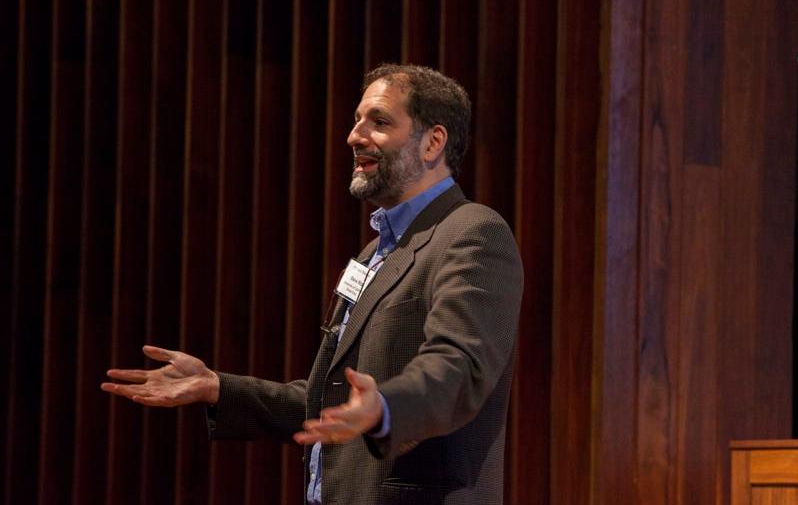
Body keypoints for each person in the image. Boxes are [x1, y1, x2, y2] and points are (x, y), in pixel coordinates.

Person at [102, 64, 524, 505]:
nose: (355, 136)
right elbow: (334, 401)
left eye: (379, 122)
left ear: (433, 142)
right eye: (357, 120)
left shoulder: (473, 231)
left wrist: (385, 407)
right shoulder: (373, 253)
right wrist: (219, 388)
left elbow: (458, 368)